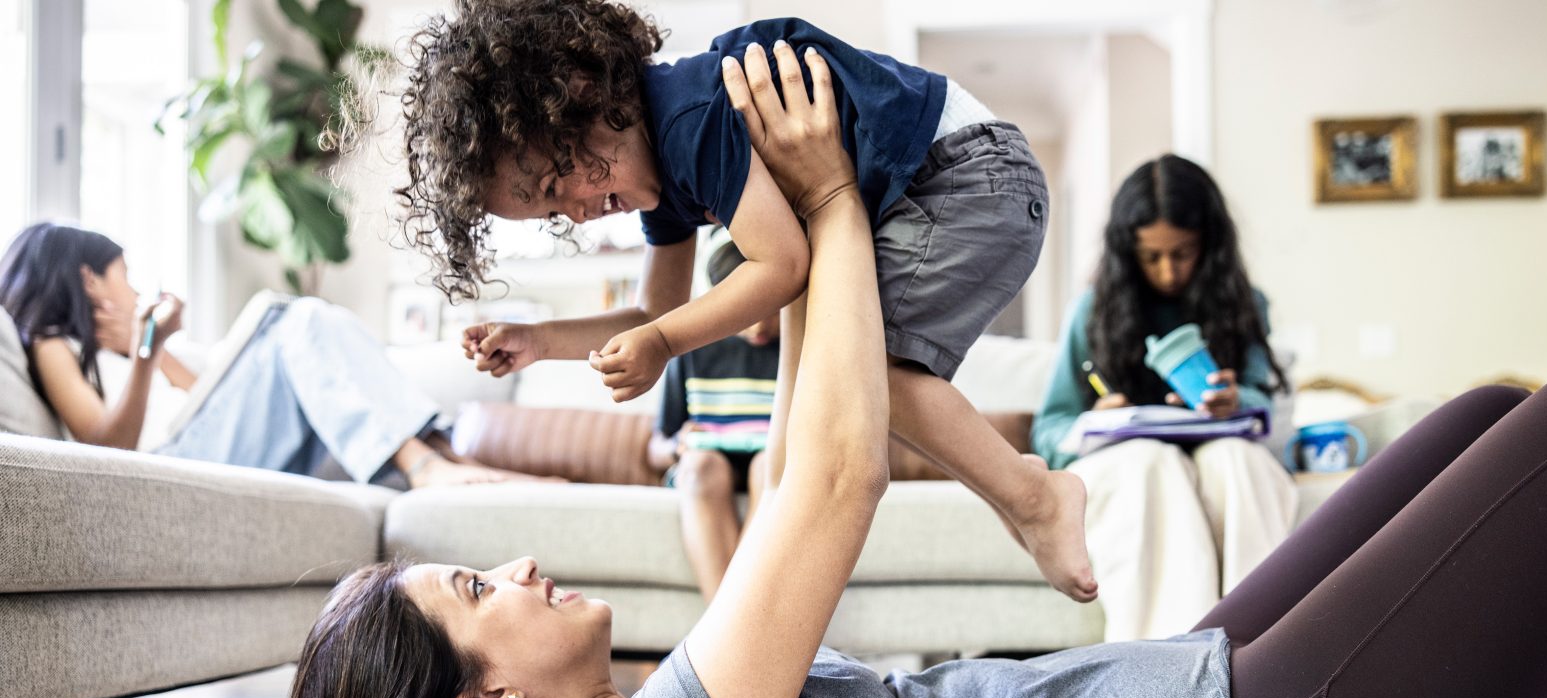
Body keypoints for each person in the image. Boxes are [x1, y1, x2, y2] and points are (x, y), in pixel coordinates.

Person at [251, 45, 1547, 698]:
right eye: (481, 593)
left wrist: (791, 242)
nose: (525, 566)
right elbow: (837, 474)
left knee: (1492, 422)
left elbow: (808, 441)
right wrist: (832, 198)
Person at [394, 0, 1096, 603]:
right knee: (824, 406)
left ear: (582, 95)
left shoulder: (689, 120)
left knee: (862, 370)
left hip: (968, 178)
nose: (575, 216)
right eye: (551, 217)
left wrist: (665, 345)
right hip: (926, 193)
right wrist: (543, 341)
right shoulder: (668, 175)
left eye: (555, 186)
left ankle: (1035, 497)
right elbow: (650, 315)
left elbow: (782, 265)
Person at [0, 223, 528, 488]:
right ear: (88, 279)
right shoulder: (51, 342)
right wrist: (146, 351)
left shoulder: (120, 345)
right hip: (162, 469)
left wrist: (148, 352)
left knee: (313, 340)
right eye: (124, 275)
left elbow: (192, 397)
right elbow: (106, 446)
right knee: (294, 320)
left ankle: (456, 464)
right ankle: (429, 463)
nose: (134, 288)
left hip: (196, 441)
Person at [1033, 156, 1297, 641]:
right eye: (1151, 256)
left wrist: (1239, 400)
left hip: (1220, 447)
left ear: (1210, 245)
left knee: (1239, 464)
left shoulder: (1243, 304)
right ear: (1126, 250)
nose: (1169, 270)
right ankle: (1167, 671)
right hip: (1129, 459)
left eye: (1183, 253)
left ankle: (1265, 647)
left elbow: (1267, 405)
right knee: (1150, 466)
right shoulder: (1092, 311)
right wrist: (1094, 420)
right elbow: (1050, 428)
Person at [648, 236, 779, 603]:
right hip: (706, 463)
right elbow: (655, 446)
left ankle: (732, 634)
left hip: (770, 460)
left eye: (770, 308)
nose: (758, 326)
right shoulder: (691, 348)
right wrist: (678, 445)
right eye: (744, 311)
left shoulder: (799, 347)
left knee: (773, 464)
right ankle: (735, 627)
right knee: (701, 467)